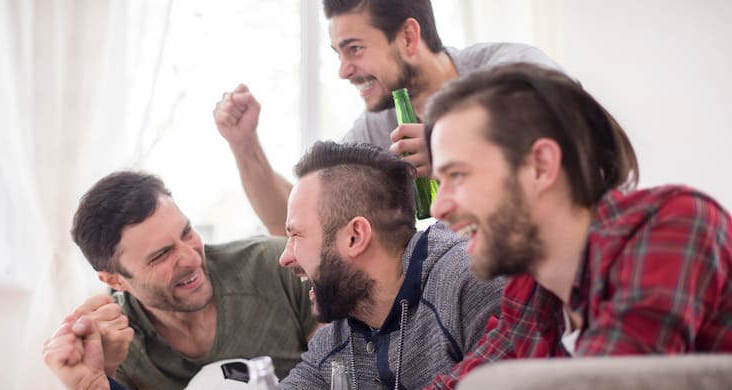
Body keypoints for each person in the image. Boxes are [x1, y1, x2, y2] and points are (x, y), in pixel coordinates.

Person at [228, 63, 732, 390]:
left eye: (458, 176)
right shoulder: (531, 288)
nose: (441, 205)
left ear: (539, 165)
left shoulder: (673, 223)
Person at [42, 141, 505, 390]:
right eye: (162, 254)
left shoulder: (466, 277)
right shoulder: (339, 344)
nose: (283, 258)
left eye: (295, 235)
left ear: (354, 237)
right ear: (115, 279)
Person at [213, 0, 563, 235]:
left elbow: (576, 138)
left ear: (409, 37)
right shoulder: (375, 130)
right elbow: (294, 222)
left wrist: (456, 148)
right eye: (338, 53)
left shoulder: (511, 67)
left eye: (355, 49)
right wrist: (245, 146)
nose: (343, 71)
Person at [57, 171, 319, 390]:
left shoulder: (279, 268)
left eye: (186, 233)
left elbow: (341, 379)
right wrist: (99, 371)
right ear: (115, 280)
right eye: (161, 255)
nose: (192, 258)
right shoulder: (117, 340)